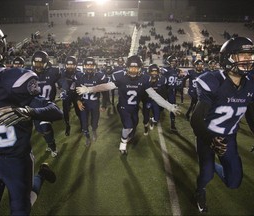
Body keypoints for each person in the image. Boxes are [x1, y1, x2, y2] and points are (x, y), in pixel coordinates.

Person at [0, 19, 63, 215]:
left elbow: (55, 111)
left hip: (17, 160)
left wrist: (29, 111)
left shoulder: (13, 79)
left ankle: (41, 176)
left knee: (21, 209)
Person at [190, 36, 254, 213]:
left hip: (229, 137)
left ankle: (217, 167)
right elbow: (195, 119)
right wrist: (210, 139)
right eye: (243, 55)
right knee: (206, 173)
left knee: (233, 182)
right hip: (207, 135)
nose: (248, 60)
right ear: (228, 58)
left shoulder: (250, 84)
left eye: (250, 55)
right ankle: (199, 191)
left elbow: (251, 113)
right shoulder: (213, 80)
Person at [76, 55, 180, 155]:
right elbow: (106, 86)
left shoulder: (144, 79)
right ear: (127, 67)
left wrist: (170, 106)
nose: (133, 70)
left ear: (140, 68)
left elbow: (155, 95)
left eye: (136, 68)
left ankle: (126, 137)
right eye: (131, 67)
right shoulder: (121, 77)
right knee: (128, 127)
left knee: (133, 127)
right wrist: (89, 89)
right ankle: (122, 144)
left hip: (134, 108)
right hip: (123, 107)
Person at [30, 50, 62, 157]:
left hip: (48, 106)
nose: (38, 65)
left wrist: (65, 89)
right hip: (35, 106)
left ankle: (53, 147)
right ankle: (49, 143)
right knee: (41, 130)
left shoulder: (53, 72)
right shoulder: (28, 74)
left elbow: (63, 81)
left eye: (41, 63)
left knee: (45, 127)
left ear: (46, 63)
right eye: (36, 62)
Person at [75, 57, 108, 146]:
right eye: (87, 65)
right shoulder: (80, 76)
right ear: (84, 66)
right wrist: (78, 101)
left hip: (94, 103)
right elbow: (77, 92)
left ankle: (94, 131)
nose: (89, 67)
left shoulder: (99, 76)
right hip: (84, 103)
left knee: (94, 122)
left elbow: (105, 92)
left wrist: (104, 104)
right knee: (84, 124)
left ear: (94, 66)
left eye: (91, 65)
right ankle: (87, 137)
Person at [141, 63, 167, 135]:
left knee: (156, 118)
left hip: (155, 101)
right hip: (147, 100)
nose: (154, 73)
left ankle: (152, 121)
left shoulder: (161, 80)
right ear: (149, 72)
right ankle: (146, 128)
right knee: (145, 118)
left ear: (158, 72)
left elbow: (163, 92)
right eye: (152, 71)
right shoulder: (145, 80)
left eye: (155, 71)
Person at [59, 55, 81, 136]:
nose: (70, 67)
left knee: (78, 111)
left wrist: (76, 82)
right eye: (68, 65)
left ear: (75, 65)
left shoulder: (79, 73)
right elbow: (59, 82)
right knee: (65, 111)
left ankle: (82, 123)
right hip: (67, 94)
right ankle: (67, 126)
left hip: (76, 94)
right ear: (66, 65)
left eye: (72, 65)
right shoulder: (63, 72)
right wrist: (62, 89)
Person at [161, 55, 181, 132]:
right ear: (169, 62)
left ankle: (172, 124)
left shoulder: (176, 70)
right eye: (172, 61)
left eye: (174, 61)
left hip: (171, 91)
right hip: (164, 90)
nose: (173, 63)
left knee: (173, 107)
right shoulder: (165, 69)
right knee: (160, 106)